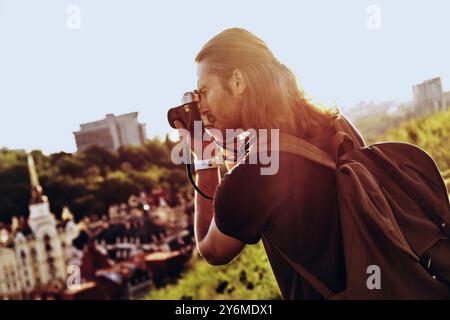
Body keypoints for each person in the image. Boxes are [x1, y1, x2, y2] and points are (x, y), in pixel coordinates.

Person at [174, 28, 365, 300]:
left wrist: (204, 160)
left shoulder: (252, 176)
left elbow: (212, 250)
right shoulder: (334, 122)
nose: (201, 107)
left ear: (238, 81)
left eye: (204, 91)